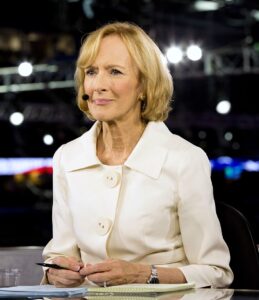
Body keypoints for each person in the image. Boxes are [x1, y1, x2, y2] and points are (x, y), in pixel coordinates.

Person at [41, 21, 233, 288]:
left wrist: (143, 274)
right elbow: (60, 254)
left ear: (144, 85)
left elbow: (215, 272)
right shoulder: (67, 157)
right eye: (91, 72)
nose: (98, 85)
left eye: (115, 72)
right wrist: (56, 271)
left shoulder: (185, 159)